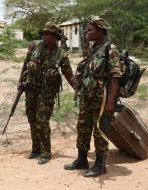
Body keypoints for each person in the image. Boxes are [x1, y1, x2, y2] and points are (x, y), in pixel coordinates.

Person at [64, 18, 123, 177]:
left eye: (90, 30)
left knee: (100, 132)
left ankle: (99, 165)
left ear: (101, 30)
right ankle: (81, 160)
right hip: (87, 98)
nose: (86, 33)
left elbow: (115, 78)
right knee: (82, 128)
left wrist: (110, 103)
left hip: (101, 100)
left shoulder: (109, 50)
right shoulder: (94, 48)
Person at [18, 22, 75, 165]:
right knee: (32, 119)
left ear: (55, 37)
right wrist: (20, 81)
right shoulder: (34, 47)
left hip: (47, 92)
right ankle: (35, 148)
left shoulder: (61, 54)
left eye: (47, 34)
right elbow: (25, 64)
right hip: (31, 89)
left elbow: (69, 75)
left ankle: (45, 152)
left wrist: (79, 90)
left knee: (42, 121)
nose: (44, 36)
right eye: (43, 34)